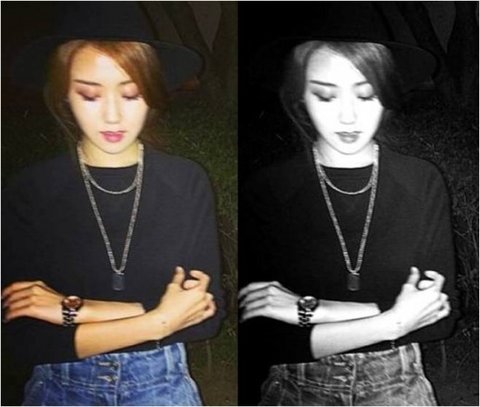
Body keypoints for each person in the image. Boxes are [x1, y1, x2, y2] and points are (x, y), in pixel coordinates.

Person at [2, 3, 224, 406]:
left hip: (163, 389)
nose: (112, 114)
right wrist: (160, 319)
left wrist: (73, 310)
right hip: (58, 391)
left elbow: (207, 316)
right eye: (90, 94)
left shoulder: (185, 182)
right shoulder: (30, 190)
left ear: (151, 94)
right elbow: (20, 339)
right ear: (64, 96)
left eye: (131, 93)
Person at [239, 3, 458, 406]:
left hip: (399, 389)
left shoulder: (420, 181)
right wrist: (395, 319)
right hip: (294, 391)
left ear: (386, 95)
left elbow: (440, 318)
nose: (347, 116)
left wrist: (309, 310)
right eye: (325, 95)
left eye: (366, 94)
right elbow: (261, 336)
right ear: (301, 99)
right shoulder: (267, 190)